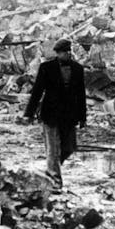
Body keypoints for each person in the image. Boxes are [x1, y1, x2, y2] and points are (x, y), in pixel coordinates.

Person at [23, 38, 87, 188]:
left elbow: (81, 94)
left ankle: (52, 168)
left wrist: (82, 117)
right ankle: (55, 179)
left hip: (69, 115)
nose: (68, 54)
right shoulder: (46, 67)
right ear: (58, 53)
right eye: (64, 52)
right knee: (52, 149)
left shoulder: (78, 68)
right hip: (50, 113)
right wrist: (29, 113)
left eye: (69, 51)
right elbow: (37, 91)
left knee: (69, 148)